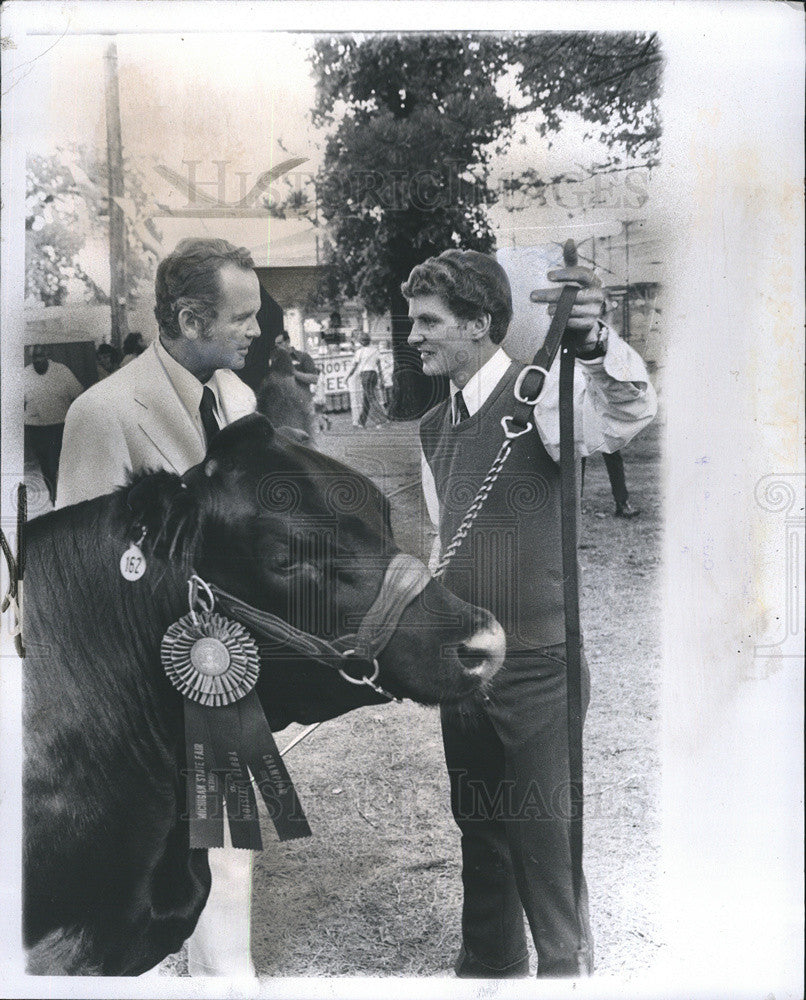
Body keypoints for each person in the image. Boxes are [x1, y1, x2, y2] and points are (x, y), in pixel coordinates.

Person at [402, 249, 657, 978]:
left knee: (546, 834)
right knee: (478, 824)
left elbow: (626, 413)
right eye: (412, 320)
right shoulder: (431, 426)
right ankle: (489, 966)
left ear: (480, 322)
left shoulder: (542, 396)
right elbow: (443, 537)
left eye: (430, 321)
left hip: (540, 662)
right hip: (465, 664)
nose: (413, 335)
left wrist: (598, 341)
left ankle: (564, 971)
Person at [57, 238, 261, 978]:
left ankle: (228, 980)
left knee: (229, 862)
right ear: (189, 318)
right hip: (141, 695)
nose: (257, 331)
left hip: (226, 674)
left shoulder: (239, 401)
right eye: (243, 318)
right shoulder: (103, 413)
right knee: (138, 887)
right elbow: (79, 576)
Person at [23, 345, 83, 504]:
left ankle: (67, 498)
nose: (38, 360)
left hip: (59, 426)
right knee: (47, 467)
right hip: (37, 429)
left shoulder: (61, 371)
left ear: (47, 355)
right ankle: (54, 499)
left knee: (60, 465)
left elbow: (78, 394)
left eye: (41, 356)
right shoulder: (24, 375)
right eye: (35, 357)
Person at [345, 332, 386, 428]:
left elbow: (354, 366)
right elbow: (379, 366)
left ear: (360, 342)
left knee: (371, 398)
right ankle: (361, 422)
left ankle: (381, 420)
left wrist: (347, 377)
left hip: (365, 375)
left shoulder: (359, 352)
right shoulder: (375, 350)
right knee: (366, 399)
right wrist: (382, 379)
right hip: (374, 374)